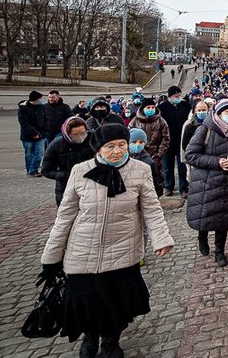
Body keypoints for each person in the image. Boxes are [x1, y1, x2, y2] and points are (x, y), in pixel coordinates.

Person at [39, 123, 175, 358]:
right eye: (110, 146)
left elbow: (151, 208)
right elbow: (65, 215)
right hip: (83, 249)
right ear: (98, 148)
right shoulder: (80, 171)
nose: (117, 151)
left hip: (123, 246)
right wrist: (51, 256)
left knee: (117, 301)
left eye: (122, 145)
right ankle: (90, 337)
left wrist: (161, 239)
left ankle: (111, 341)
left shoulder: (140, 170)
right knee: (88, 301)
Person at [185, 98, 228, 267]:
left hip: (227, 181)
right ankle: (202, 236)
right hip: (205, 181)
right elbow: (190, 155)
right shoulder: (206, 129)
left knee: (224, 217)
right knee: (205, 213)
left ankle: (219, 250)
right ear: (219, 113)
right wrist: (217, 162)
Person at [41, 116, 94, 205]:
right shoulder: (56, 145)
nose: (80, 137)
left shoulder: (94, 139)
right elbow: (46, 170)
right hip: (66, 186)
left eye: (82, 133)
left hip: (92, 184)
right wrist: (68, 175)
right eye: (75, 134)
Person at [129, 98, 171, 196]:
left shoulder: (161, 121)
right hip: (137, 156)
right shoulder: (135, 121)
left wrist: (159, 154)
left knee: (156, 181)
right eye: (148, 107)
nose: (151, 109)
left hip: (155, 157)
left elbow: (166, 138)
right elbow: (129, 137)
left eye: (153, 107)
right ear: (143, 108)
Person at [158, 85, 192, 198]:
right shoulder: (162, 107)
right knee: (167, 166)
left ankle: (184, 187)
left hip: (182, 140)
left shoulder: (186, 105)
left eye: (179, 95)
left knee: (182, 166)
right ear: (170, 96)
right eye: (175, 96)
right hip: (168, 141)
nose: (178, 97)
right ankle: (168, 186)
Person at [18, 91, 48, 177]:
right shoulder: (23, 109)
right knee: (29, 153)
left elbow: (45, 119)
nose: (40, 100)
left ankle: (33, 170)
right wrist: (34, 133)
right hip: (27, 136)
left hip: (41, 134)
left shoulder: (41, 107)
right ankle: (30, 170)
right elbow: (24, 123)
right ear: (34, 99)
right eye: (39, 99)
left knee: (39, 153)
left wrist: (45, 130)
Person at [128, 128, 161, 196]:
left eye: (141, 142)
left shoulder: (149, 162)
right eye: (134, 142)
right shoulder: (123, 160)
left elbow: (155, 183)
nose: (137, 145)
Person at [181, 100, 210, 164]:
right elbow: (184, 145)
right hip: (195, 159)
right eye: (199, 110)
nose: (201, 112)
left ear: (208, 110)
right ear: (195, 111)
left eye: (204, 110)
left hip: (209, 158)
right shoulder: (189, 126)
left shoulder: (212, 124)